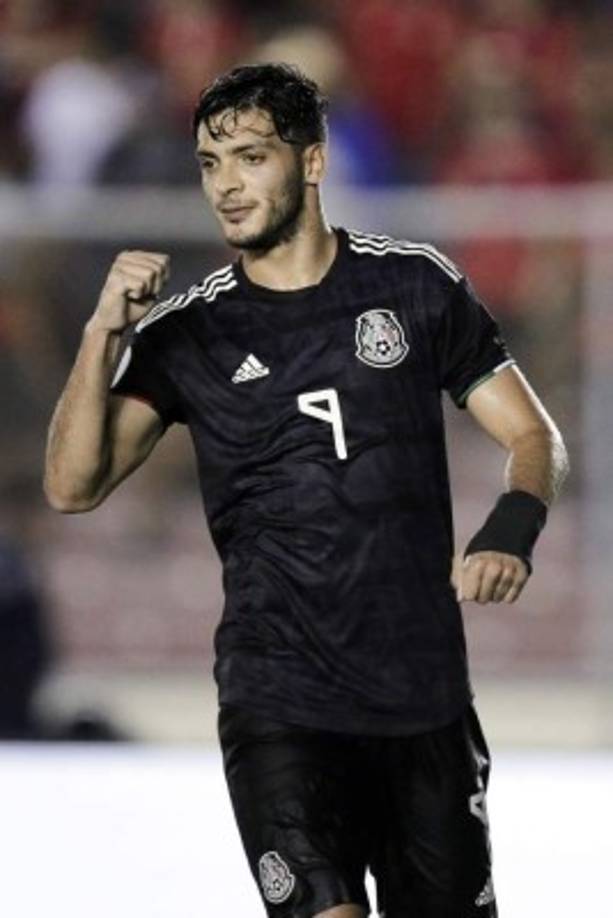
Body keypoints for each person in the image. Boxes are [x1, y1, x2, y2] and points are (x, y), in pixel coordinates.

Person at [44, 63, 569, 918]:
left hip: (421, 698)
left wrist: (510, 527)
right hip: (278, 701)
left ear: (312, 162)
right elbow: (72, 488)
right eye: (210, 164)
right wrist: (103, 336)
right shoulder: (188, 334)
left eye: (250, 157)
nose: (227, 185)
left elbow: (531, 434)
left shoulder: (412, 288)